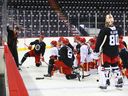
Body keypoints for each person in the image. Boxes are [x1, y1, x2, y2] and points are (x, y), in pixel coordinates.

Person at [93, 14, 124, 89]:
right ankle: (119, 81)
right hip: (115, 52)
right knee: (115, 67)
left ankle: (105, 83)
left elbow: (99, 41)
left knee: (104, 68)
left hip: (106, 52)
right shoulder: (117, 29)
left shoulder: (104, 30)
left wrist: (96, 51)